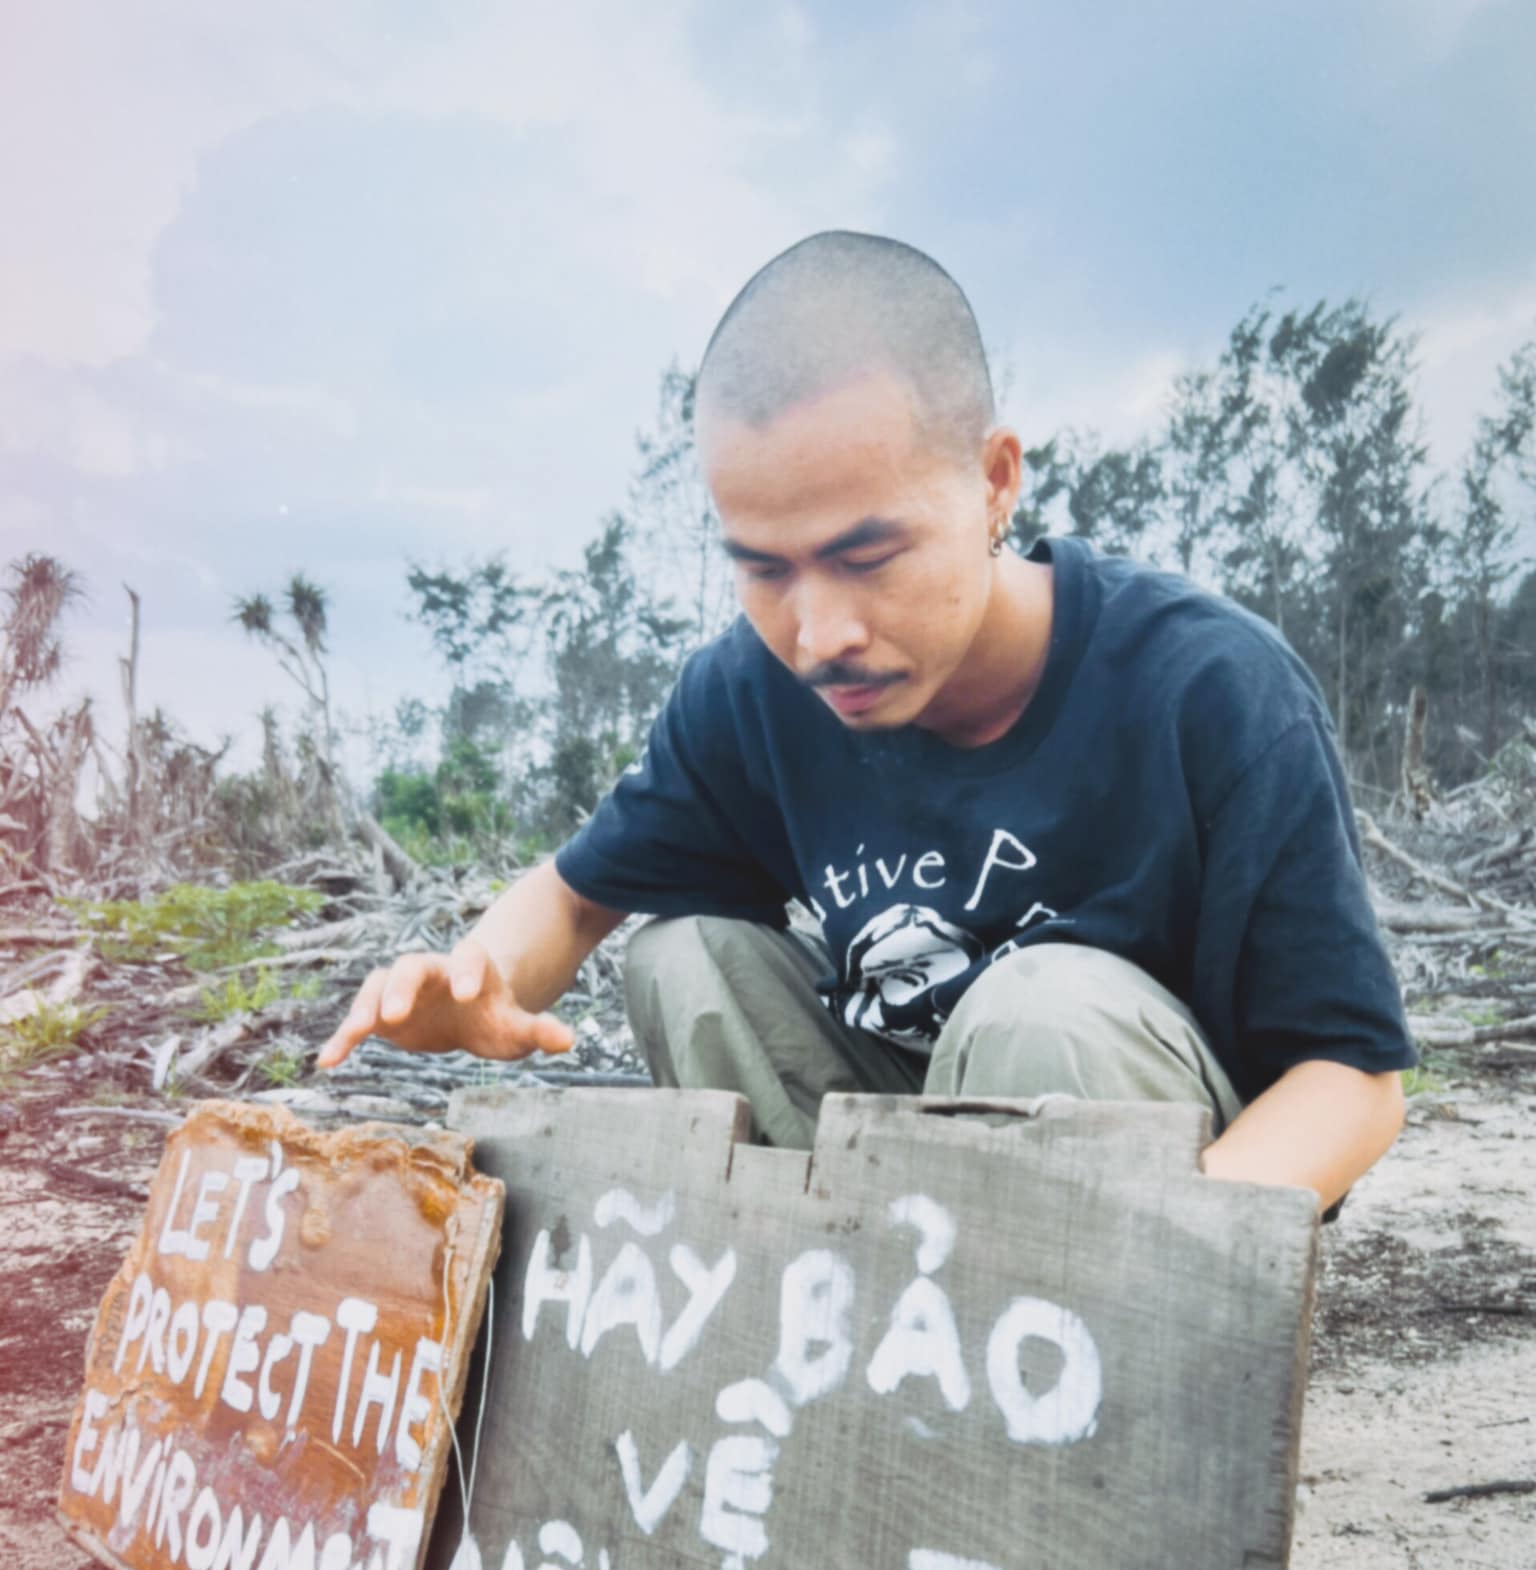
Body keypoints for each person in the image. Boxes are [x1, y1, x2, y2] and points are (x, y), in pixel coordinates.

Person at [319, 231, 1414, 1214]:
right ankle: (826, 1323)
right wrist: (476, 983)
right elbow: (575, 893)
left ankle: (1055, 1369)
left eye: (865, 556)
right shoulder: (756, 691)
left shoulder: (1208, 689)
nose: (819, 631)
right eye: (764, 568)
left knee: (1040, 1006)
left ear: (994, 483)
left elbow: (1353, 1082)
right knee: (684, 956)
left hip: (1157, 1211)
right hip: (903, 1186)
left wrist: (1182, 1255)